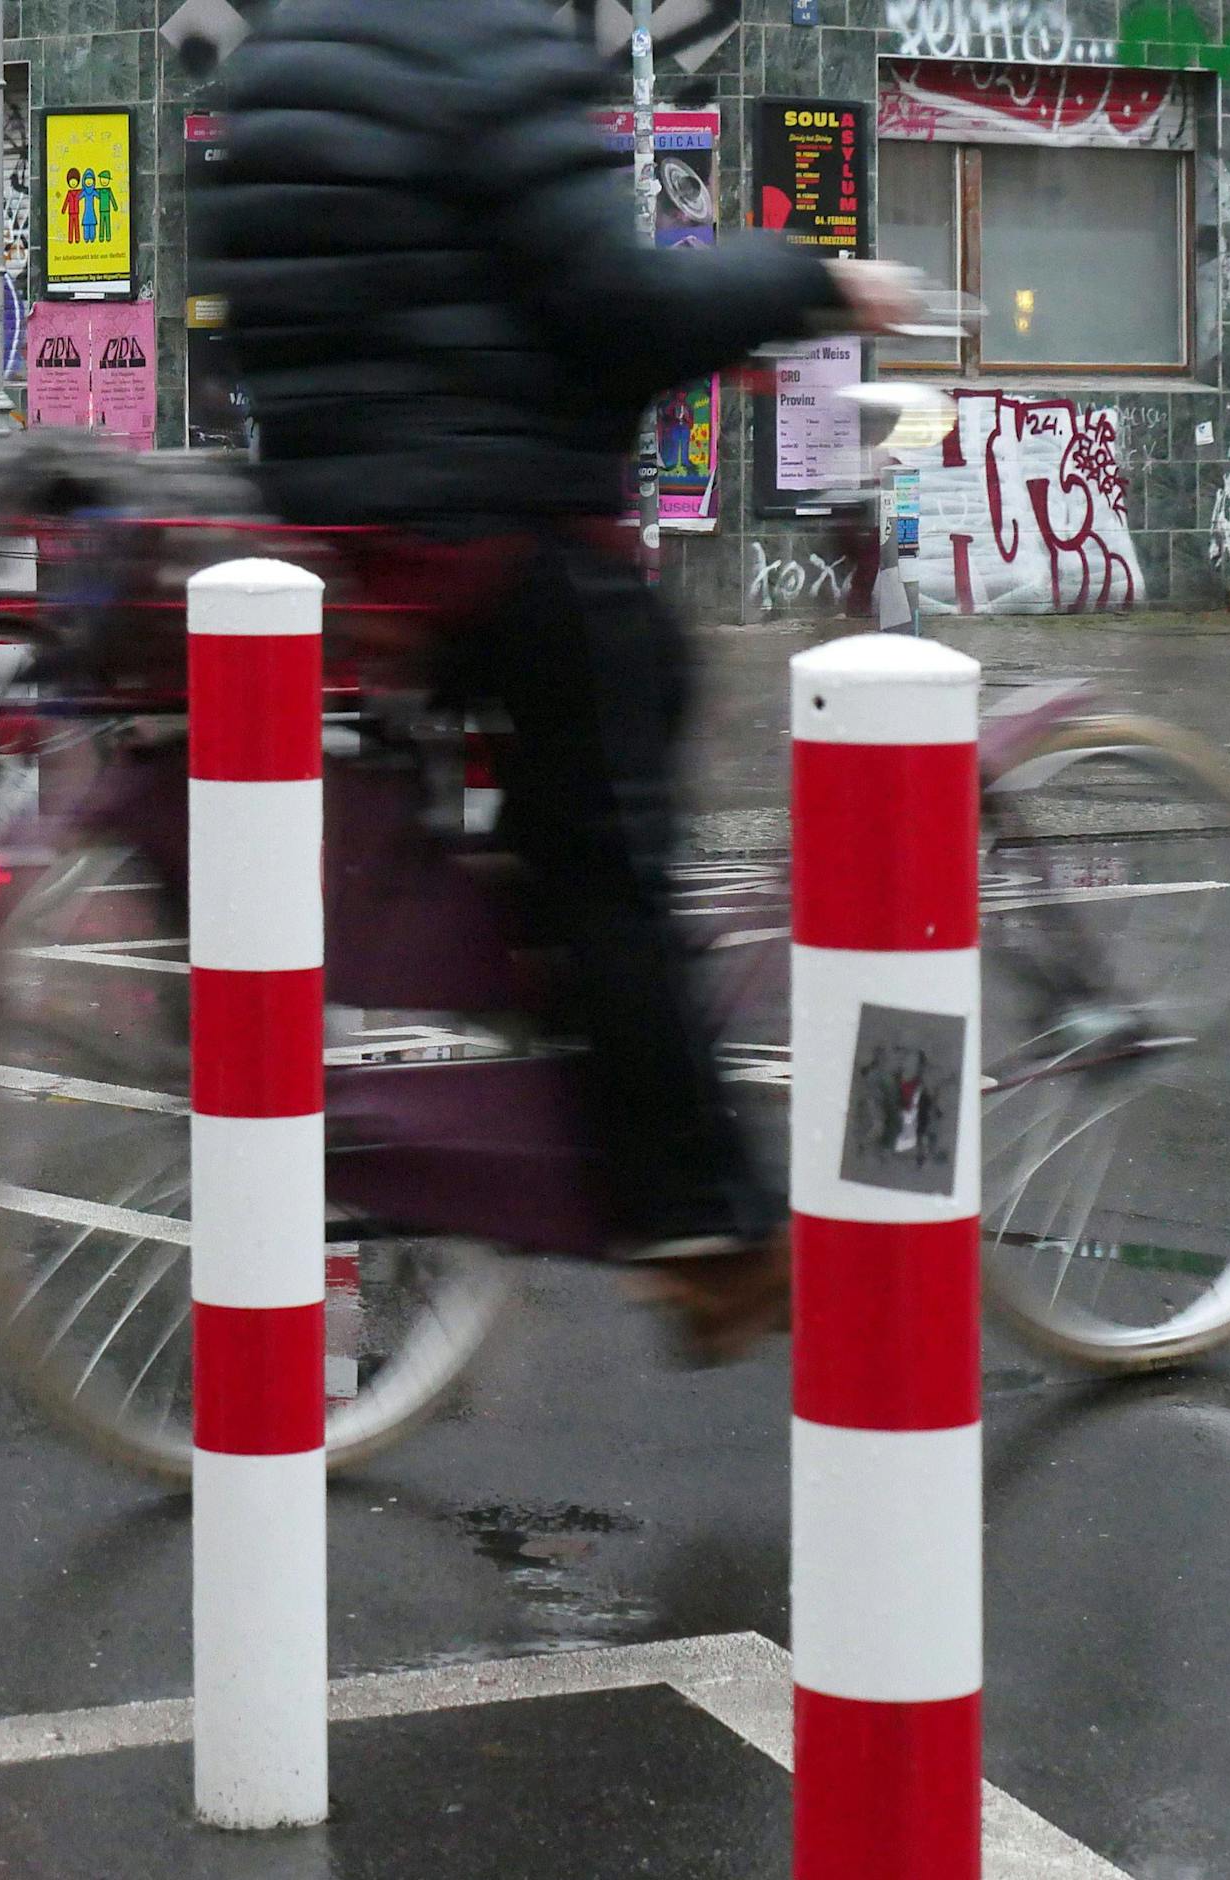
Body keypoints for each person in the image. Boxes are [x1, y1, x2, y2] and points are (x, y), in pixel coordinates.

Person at [199, 0, 921, 1358]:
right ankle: (702, 1223)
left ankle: (563, 1052)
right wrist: (805, 279)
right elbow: (618, 309)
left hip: (347, 537)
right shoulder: (493, 53)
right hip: (503, 527)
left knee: (556, 824)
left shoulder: (273, 69)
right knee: (612, 851)